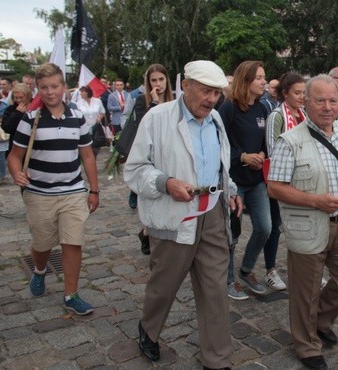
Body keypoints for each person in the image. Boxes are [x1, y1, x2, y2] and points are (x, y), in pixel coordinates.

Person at [124, 60, 241, 369]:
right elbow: (135, 170)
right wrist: (167, 183)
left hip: (212, 213)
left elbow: (219, 165)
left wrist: (231, 192)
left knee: (215, 289)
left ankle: (217, 358)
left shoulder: (215, 119)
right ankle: (148, 330)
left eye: (216, 93)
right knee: (164, 286)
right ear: (186, 86)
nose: (211, 100)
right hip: (176, 216)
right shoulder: (157, 118)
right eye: (205, 91)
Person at [268, 74, 338, 370]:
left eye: (333, 100)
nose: (327, 107)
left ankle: (320, 320)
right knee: (305, 291)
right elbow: (275, 187)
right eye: (320, 100)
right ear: (306, 102)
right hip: (308, 226)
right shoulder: (291, 141)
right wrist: (315, 201)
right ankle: (307, 345)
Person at [7, 63, 100, 315]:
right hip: (39, 194)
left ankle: (71, 294)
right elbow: (14, 155)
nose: (50, 92)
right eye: (45, 87)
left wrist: (94, 190)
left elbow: (88, 156)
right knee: (42, 244)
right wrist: (16, 172)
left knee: (72, 242)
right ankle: (39, 270)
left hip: (72, 191)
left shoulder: (77, 117)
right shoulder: (29, 120)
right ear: (38, 89)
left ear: (63, 87)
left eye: (55, 86)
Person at [218, 60, 272, 300]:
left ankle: (246, 270)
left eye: (264, 77)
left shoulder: (263, 109)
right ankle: (228, 280)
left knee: (265, 228)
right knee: (233, 232)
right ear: (246, 80)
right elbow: (219, 144)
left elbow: (266, 143)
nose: (264, 82)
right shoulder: (228, 108)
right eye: (259, 77)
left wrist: (261, 154)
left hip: (257, 180)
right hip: (234, 182)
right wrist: (242, 157)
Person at [262, 73, 307, 291]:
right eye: (297, 93)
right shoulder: (277, 116)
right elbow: (273, 150)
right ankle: (270, 270)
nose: (301, 97)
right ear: (285, 93)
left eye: (304, 93)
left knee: (301, 227)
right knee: (275, 227)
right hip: (282, 180)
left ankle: (305, 270)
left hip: (303, 180)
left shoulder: (304, 114)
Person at [128, 63, 174, 255]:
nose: (158, 84)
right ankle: (148, 230)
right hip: (150, 156)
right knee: (151, 197)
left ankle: (153, 232)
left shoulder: (175, 101)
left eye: (161, 79)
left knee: (166, 199)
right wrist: (154, 103)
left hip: (169, 154)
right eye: (154, 80)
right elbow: (143, 126)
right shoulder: (142, 101)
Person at [1, 83, 32, 157]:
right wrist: (17, 113)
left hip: (34, 147)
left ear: (28, 96)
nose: (18, 100)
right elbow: (6, 128)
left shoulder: (36, 107)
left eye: (21, 97)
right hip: (16, 146)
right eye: (16, 97)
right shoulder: (10, 109)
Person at [76, 86, 106, 158]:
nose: (81, 94)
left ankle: (93, 160)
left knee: (95, 148)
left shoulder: (97, 101)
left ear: (88, 92)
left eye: (82, 92)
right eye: (80, 92)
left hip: (95, 128)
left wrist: (99, 117)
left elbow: (102, 111)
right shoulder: (79, 103)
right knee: (87, 148)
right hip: (84, 128)